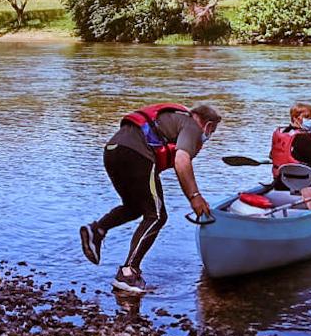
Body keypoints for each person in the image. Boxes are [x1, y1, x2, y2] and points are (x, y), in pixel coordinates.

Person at [80, 103, 221, 294]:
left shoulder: (173, 119)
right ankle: (128, 273)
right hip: (137, 154)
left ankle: (96, 230)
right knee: (156, 216)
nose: (209, 134)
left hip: (112, 151)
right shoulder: (192, 126)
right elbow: (181, 161)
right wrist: (195, 197)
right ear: (209, 125)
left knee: (135, 207)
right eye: (213, 130)